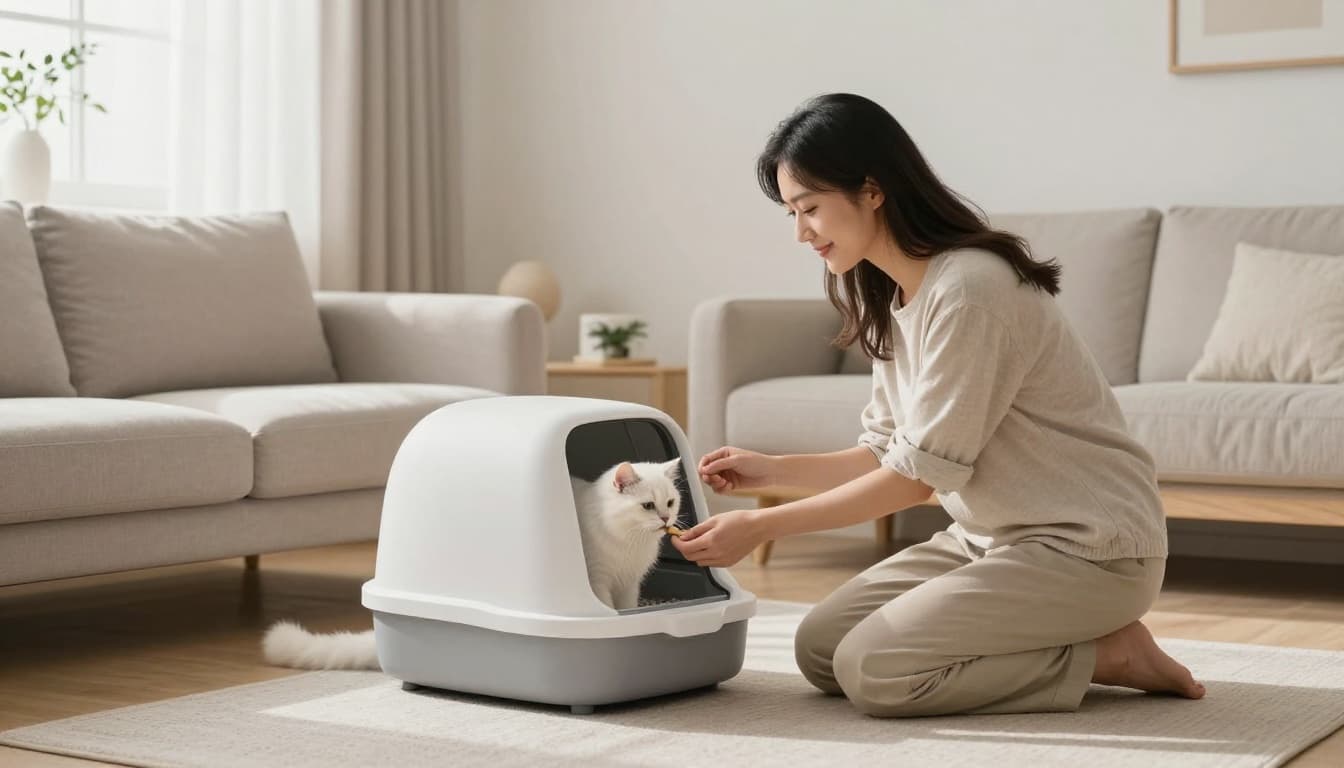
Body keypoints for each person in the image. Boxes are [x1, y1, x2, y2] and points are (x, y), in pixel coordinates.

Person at [670, 93, 1205, 717]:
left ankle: (1110, 656)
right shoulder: (893, 293)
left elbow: (914, 479)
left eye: (810, 208)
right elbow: (884, 451)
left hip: (1088, 551)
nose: (801, 233)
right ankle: (1073, 645)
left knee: (875, 672)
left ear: (871, 189)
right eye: (792, 213)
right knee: (821, 651)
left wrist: (761, 525)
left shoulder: (971, 291)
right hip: (987, 541)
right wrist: (772, 470)